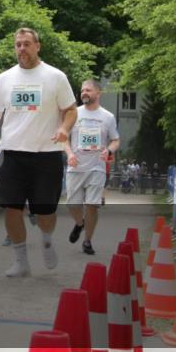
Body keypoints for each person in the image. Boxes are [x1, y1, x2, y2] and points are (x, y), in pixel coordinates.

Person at [0, 27, 76, 277]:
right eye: (17, 45)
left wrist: (65, 129)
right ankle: (21, 261)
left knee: (45, 212)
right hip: (11, 153)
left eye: (26, 44)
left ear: (37, 46)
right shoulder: (4, 79)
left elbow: (70, 109)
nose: (21, 49)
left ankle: (46, 240)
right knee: (11, 208)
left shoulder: (55, 77)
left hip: (47, 154)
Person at [64, 79, 120, 255]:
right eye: (82, 91)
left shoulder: (108, 117)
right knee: (73, 204)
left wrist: (108, 151)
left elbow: (116, 140)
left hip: (97, 166)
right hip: (76, 166)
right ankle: (80, 224)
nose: (84, 93)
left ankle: (87, 241)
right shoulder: (74, 114)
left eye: (88, 90)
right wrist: (70, 154)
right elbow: (64, 137)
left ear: (98, 93)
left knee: (92, 205)